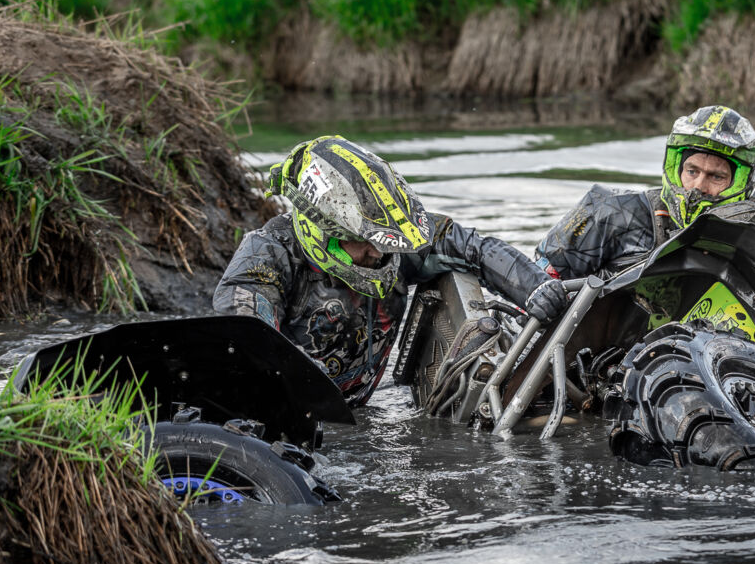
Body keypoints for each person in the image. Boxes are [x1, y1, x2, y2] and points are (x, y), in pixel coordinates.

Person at [214, 135, 568, 405]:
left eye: (382, 240)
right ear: (322, 231)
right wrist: (301, 376)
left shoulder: (392, 248)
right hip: (290, 413)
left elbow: (471, 246)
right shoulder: (268, 254)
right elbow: (246, 336)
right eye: (362, 240)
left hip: (358, 408)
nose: (377, 251)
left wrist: (534, 286)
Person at [535, 105, 755, 280]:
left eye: (716, 177)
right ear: (676, 169)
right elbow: (540, 280)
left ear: (740, 183)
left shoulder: (754, 247)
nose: (698, 186)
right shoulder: (612, 213)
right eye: (692, 171)